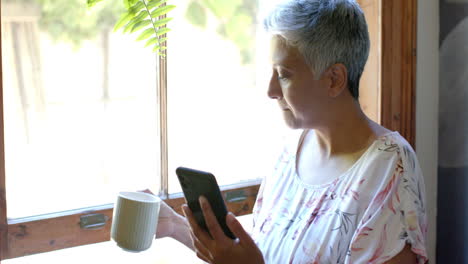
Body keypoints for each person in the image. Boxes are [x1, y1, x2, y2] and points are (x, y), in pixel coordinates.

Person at [153, 0, 428, 263]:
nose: (271, 90)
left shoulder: (390, 166)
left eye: (283, 74)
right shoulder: (290, 152)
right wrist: (174, 225)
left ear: (334, 79)